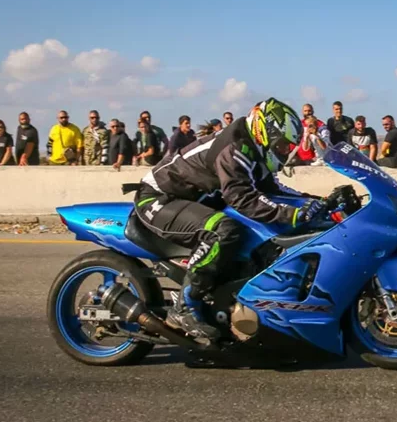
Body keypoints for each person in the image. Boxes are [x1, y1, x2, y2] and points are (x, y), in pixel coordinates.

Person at [134, 98, 324, 339]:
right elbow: (242, 197)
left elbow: (273, 190)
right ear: (266, 131)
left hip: (193, 201)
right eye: (283, 145)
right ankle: (183, 307)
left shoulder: (253, 148)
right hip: (160, 198)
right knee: (223, 230)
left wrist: (316, 202)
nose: (284, 152)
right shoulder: (234, 147)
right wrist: (293, 214)